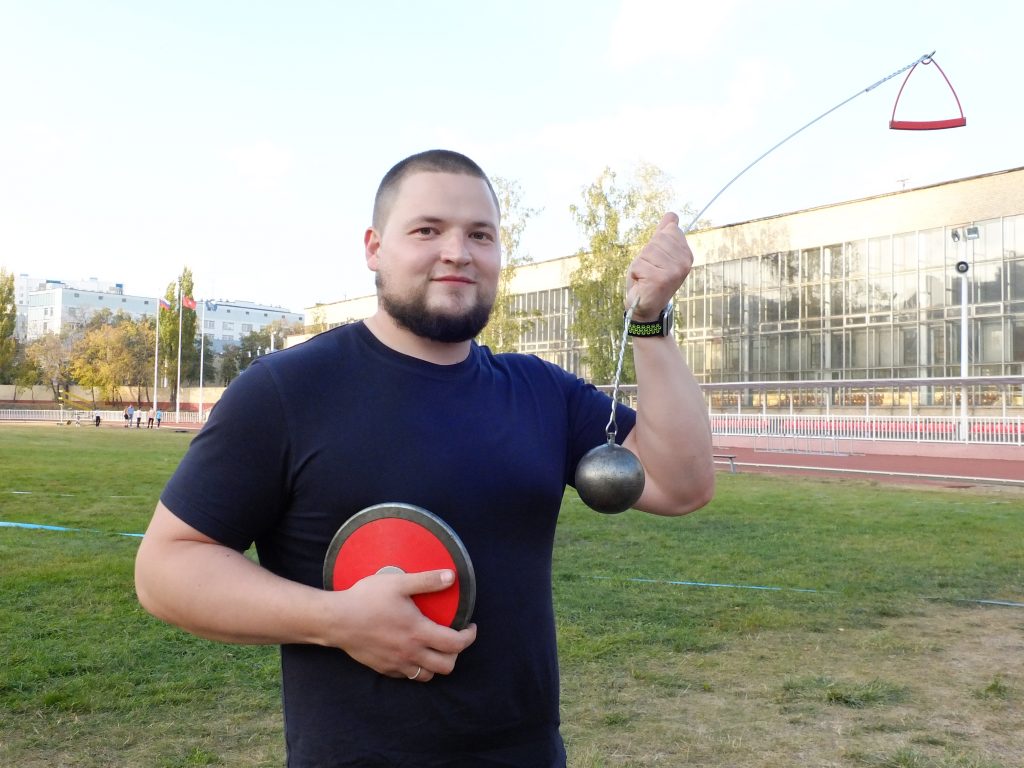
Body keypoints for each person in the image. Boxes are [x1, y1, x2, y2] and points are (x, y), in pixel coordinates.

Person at [135, 149, 715, 767]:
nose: (457, 252)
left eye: (480, 235)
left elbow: (680, 484)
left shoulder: (543, 392)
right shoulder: (287, 390)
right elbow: (166, 569)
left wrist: (648, 321)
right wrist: (336, 620)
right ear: (374, 247)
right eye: (427, 230)